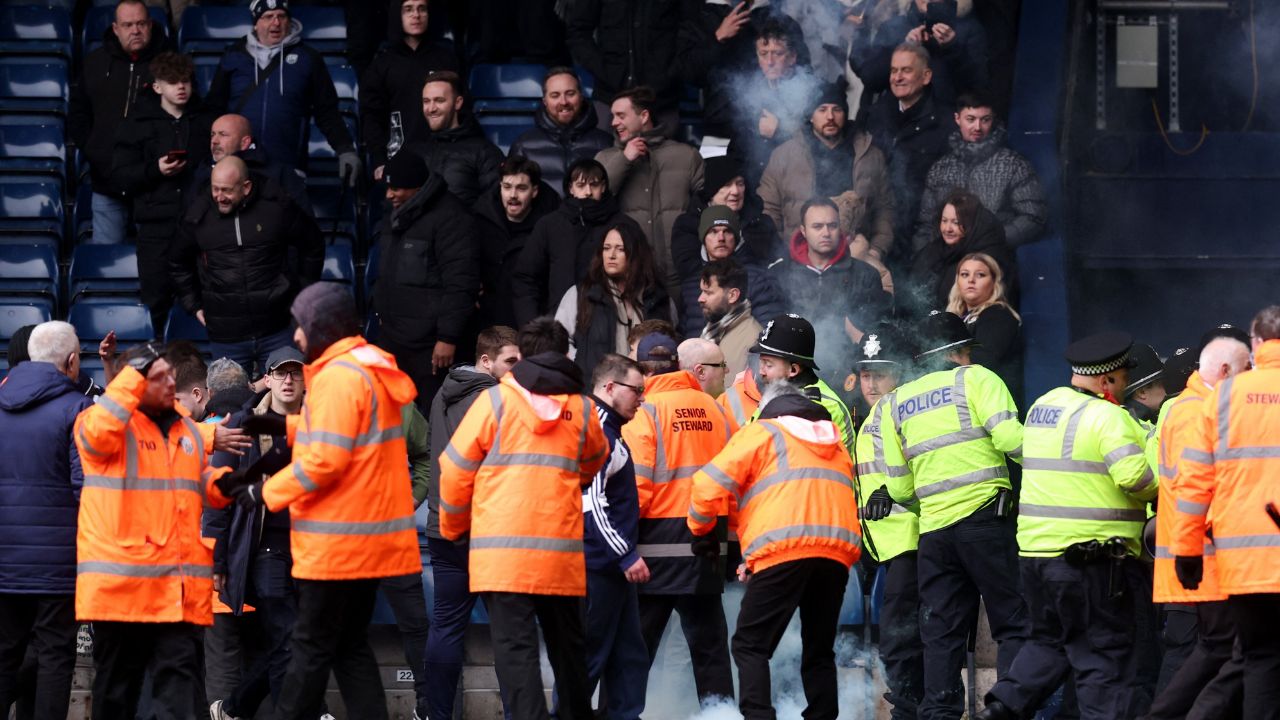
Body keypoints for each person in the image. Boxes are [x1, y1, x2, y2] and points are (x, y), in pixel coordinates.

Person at [219, 282, 423, 720]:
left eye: (302, 325)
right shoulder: (369, 370)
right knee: (349, 650)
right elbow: (345, 437)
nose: (296, 336)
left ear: (323, 326)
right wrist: (279, 428)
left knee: (307, 650)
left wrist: (262, 493)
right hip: (372, 543)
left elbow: (323, 461)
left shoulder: (335, 377)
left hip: (338, 545)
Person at [977, 332, 1158, 720]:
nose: (1127, 383)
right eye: (1124, 376)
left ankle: (1002, 708)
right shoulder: (1110, 417)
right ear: (1106, 380)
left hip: (1036, 557)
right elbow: (1133, 478)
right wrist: (1165, 485)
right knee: (1103, 658)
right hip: (1091, 562)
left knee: (1048, 643)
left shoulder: (1045, 405)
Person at [72, 342, 243, 720]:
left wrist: (233, 485)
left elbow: (199, 483)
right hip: (121, 596)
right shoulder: (105, 424)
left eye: (171, 376)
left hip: (174, 593)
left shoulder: (185, 431)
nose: (170, 383)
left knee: (180, 694)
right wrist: (132, 371)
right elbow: (95, 435)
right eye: (159, 376)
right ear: (135, 382)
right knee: (117, 695)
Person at [438, 343, 609, 720]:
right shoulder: (580, 407)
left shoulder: (494, 401)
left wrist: (453, 528)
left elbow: (453, 469)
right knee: (570, 655)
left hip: (503, 559)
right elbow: (596, 460)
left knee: (517, 656)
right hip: (561, 557)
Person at [879, 310, 1027, 720]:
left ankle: (939, 713)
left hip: (934, 536)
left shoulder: (897, 402)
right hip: (985, 522)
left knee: (940, 633)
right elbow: (1011, 440)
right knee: (1014, 622)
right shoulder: (977, 378)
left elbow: (899, 489)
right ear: (960, 351)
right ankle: (1008, 710)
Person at [689, 380, 861, 720]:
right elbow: (785, 496)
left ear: (768, 408)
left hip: (784, 550)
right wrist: (752, 555)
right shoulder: (834, 442)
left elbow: (706, 485)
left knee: (749, 644)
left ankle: (757, 716)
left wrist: (701, 531)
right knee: (819, 650)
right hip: (836, 556)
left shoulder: (763, 432)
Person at [1170, 305, 1280, 720]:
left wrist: (1186, 551)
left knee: (1260, 658)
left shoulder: (1223, 398)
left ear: (1254, 344)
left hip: (1245, 561)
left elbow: (1195, 482)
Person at [621, 332, 737, 708]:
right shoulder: (717, 410)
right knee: (712, 655)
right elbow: (735, 485)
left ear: (641, 370)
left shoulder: (644, 411)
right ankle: (721, 718)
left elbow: (634, 490)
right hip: (706, 549)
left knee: (635, 655)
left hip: (651, 556)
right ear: (678, 365)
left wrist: (618, 549)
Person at [1145, 334, 1251, 720]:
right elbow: (1199, 486)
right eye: (1243, 372)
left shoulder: (1194, 405)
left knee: (1217, 646)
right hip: (1201, 555)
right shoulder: (1196, 412)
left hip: (1197, 551)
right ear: (1224, 371)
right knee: (1218, 646)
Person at [423, 326, 521, 720]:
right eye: (510, 361)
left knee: (445, 626)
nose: (517, 370)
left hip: (444, 526)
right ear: (486, 361)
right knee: (509, 633)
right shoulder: (497, 399)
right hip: (487, 531)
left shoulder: (440, 393)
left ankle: (438, 714)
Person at [0, 322, 93, 720]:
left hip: (4, 562)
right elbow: (86, 490)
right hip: (57, 567)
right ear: (72, 362)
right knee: (56, 656)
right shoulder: (77, 409)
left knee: (4, 654)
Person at [208, 346, 307, 720]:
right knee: (287, 640)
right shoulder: (243, 426)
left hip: (310, 549)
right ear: (267, 378)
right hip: (264, 549)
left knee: (293, 642)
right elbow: (218, 496)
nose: (287, 380)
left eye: (295, 373)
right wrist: (216, 561)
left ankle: (234, 708)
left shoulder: (321, 425)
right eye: (280, 373)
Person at [172, 156, 324, 376]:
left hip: (277, 327)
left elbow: (312, 245)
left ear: (246, 187)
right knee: (228, 402)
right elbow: (177, 260)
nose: (219, 197)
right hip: (226, 334)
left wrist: (301, 296)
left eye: (226, 190)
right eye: (215, 189)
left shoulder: (276, 206)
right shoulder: (199, 212)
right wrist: (193, 305)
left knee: (283, 403)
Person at [111, 51, 214, 334]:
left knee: (204, 301)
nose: (181, 86)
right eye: (172, 81)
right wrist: (156, 169)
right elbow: (120, 175)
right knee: (156, 302)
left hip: (199, 224)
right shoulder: (136, 124)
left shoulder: (207, 121)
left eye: (185, 81)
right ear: (157, 87)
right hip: (156, 227)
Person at [851, 323, 924, 720]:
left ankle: (909, 712)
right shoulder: (873, 413)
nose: (872, 382)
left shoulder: (905, 408)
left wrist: (895, 495)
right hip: (886, 544)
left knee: (900, 635)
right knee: (898, 632)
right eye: (866, 373)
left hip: (910, 540)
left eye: (881, 373)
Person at [757, 82, 895, 286]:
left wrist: (876, 250)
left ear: (845, 113)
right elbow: (768, 210)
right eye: (822, 110)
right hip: (799, 260)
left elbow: (885, 208)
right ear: (811, 116)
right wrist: (783, 251)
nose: (830, 116)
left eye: (836, 109)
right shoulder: (784, 155)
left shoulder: (869, 155)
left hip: (855, 258)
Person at [205, 0, 360, 181]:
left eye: (281, 16)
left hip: (289, 168)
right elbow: (214, 108)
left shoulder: (308, 58)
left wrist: (345, 149)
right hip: (238, 167)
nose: (276, 22)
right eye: (268, 17)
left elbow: (327, 112)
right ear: (256, 22)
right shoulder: (233, 55)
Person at [372, 151, 480, 410]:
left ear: (417, 187)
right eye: (387, 187)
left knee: (432, 420)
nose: (389, 195)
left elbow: (461, 283)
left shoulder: (452, 218)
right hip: (393, 339)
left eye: (396, 188)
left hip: (430, 349)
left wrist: (447, 338)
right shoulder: (396, 213)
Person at [581, 353, 651, 720]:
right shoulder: (596, 430)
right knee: (590, 659)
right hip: (599, 568)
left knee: (628, 657)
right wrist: (625, 554)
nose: (642, 398)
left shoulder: (608, 429)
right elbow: (590, 503)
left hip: (611, 569)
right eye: (637, 390)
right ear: (610, 388)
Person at [69, 0, 169, 246]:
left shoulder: (169, 65)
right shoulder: (94, 63)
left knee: (154, 265)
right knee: (107, 265)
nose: (135, 30)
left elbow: (184, 118)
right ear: (115, 29)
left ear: (151, 25)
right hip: (107, 183)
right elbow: (78, 116)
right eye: (127, 25)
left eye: (140, 24)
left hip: (153, 186)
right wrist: (96, 152)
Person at [596, 86, 705, 298]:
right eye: (612, 116)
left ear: (644, 115)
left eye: (621, 115)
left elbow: (707, 206)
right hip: (629, 277)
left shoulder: (686, 156)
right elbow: (597, 198)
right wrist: (625, 160)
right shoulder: (605, 158)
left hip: (679, 275)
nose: (613, 123)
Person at [512, 159, 642, 327]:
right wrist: (534, 326)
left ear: (603, 187)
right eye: (581, 185)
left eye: (594, 185)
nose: (588, 192)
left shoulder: (625, 226)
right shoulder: (550, 225)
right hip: (559, 325)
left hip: (614, 323)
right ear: (570, 188)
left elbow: (642, 272)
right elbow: (526, 278)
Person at [767, 197, 891, 373]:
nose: (826, 232)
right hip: (794, 370)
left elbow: (875, 334)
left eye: (832, 226)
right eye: (817, 226)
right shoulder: (780, 274)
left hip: (847, 371)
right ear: (803, 230)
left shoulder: (864, 275)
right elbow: (770, 331)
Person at [912, 92, 1047, 251]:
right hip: (944, 260)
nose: (977, 127)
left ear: (993, 120)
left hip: (991, 259)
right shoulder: (941, 168)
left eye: (985, 120)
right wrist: (925, 258)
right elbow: (926, 225)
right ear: (957, 119)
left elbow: (1033, 217)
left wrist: (988, 241)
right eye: (970, 119)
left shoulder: (1014, 165)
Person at [555, 223, 675, 376]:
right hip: (595, 391)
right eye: (606, 248)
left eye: (620, 249)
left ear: (636, 254)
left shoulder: (658, 297)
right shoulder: (581, 294)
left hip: (648, 390)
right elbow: (559, 341)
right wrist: (579, 366)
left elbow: (672, 344)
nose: (611, 255)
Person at [360, 0, 460, 180]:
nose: (416, 15)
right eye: (408, 9)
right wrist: (379, 160)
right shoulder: (382, 65)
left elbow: (462, 110)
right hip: (399, 159)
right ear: (397, 15)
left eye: (422, 9)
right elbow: (372, 117)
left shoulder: (446, 59)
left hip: (444, 158)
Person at [865, 43, 954, 245]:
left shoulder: (946, 124)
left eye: (906, 70)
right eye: (894, 71)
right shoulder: (874, 115)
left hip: (923, 233)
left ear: (926, 76)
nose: (897, 78)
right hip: (878, 229)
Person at [719, 16, 815, 186]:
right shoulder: (743, 93)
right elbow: (721, 139)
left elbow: (821, 147)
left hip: (793, 185)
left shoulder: (812, 93)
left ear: (792, 57)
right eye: (763, 54)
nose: (770, 62)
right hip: (749, 185)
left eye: (777, 53)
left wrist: (781, 131)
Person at [749, 314, 857, 455]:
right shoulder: (776, 396)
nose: (761, 371)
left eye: (768, 365)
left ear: (793, 369)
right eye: (761, 362)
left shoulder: (823, 407)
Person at [474, 156, 561, 329]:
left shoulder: (552, 224)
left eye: (521, 188)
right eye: (507, 187)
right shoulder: (481, 216)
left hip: (531, 319)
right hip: (486, 319)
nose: (513, 195)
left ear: (534, 191)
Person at [850, 0, 989, 107]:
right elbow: (872, 79)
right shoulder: (894, 26)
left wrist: (952, 47)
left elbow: (977, 86)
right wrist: (904, 49)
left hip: (943, 126)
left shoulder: (968, 29)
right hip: (895, 124)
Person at [565, 0, 691, 116]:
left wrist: (669, 72)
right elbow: (578, 33)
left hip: (662, 99)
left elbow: (691, 29)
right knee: (600, 139)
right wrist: (603, 70)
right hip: (609, 96)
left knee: (666, 140)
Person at [670, 155, 783, 285]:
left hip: (761, 293)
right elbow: (690, 272)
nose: (735, 191)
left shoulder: (760, 223)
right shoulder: (688, 225)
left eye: (740, 183)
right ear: (712, 190)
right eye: (727, 184)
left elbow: (779, 263)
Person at [678, 205, 785, 339]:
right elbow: (683, 333)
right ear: (703, 238)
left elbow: (771, 332)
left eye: (728, 231)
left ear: (736, 238)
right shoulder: (690, 285)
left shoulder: (758, 279)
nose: (721, 238)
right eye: (713, 231)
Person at [510, 67, 615, 197]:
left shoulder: (606, 142)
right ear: (545, 101)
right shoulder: (523, 145)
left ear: (581, 96)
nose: (564, 102)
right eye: (555, 95)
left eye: (570, 93)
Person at [405, 70, 504, 206]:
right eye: (426, 101)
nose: (431, 108)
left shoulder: (485, 152)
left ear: (458, 103)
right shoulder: (414, 151)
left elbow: (494, 208)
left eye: (439, 100)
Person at [909, 190, 1015, 312]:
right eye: (944, 221)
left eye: (956, 222)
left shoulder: (988, 258)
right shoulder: (934, 250)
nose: (947, 229)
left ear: (971, 225)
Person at [196, 113, 313, 216]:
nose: (214, 141)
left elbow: (304, 224)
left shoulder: (279, 173)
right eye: (212, 134)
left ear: (245, 143)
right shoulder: (202, 171)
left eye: (223, 134)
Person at [946, 252, 1023, 405]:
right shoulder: (954, 316)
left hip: (991, 402)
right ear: (957, 281)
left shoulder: (999, 314)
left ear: (994, 282)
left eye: (980, 275)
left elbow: (983, 360)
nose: (971, 280)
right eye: (964, 274)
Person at [699, 259, 764, 381]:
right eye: (702, 291)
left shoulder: (754, 341)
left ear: (732, 295)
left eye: (708, 293)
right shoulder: (710, 331)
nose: (700, 298)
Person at [1124, 343, 1166, 429]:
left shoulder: (1124, 420)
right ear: (1142, 392)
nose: (1168, 389)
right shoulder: (1144, 429)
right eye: (1162, 383)